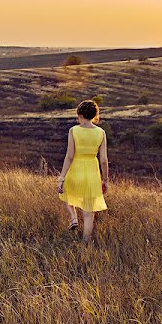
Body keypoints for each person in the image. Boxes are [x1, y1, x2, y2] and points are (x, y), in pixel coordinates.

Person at [57, 100, 108, 242]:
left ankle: (73, 218)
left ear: (79, 114)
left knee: (66, 193)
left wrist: (62, 177)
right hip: (92, 173)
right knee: (88, 213)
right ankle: (85, 243)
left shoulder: (74, 130)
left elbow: (70, 156)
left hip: (76, 170)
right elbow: (103, 160)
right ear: (94, 115)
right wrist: (105, 180)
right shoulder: (101, 133)